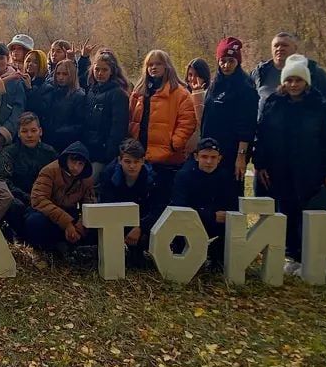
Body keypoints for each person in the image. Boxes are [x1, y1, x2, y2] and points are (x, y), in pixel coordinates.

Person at [252, 54, 326, 274]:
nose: (293, 85)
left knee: (309, 214)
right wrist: (261, 163)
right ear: (283, 81)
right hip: (279, 170)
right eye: (289, 80)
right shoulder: (273, 103)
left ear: (306, 82)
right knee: (285, 211)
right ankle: (292, 255)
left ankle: (312, 257)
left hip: (310, 171)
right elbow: (262, 135)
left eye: (298, 80)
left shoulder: (322, 107)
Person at [129, 49, 197, 210]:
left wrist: (174, 144)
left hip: (167, 160)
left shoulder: (180, 93)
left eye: (158, 64)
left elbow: (187, 122)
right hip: (141, 156)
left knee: (162, 203)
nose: (153, 68)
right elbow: (131, 119)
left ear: (167, 66)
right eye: (150, 64)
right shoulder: (139, 92)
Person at [169, 138, 239, 269]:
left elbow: (233, 207)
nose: (209, 161)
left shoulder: (226, 178)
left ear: (219, 159)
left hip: (218, 228)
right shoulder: (184, 176)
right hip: (190, 226)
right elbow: (180, 208)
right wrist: (210, 216)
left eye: (213, 157)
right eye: (204, 156)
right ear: (196, 157)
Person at [201, 37, 259, 193]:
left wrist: (241, 157)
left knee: (230, 194)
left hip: (232, 152)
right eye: (223, 61)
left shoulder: (245, 87)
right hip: (211, 151)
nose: (226, 65)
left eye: (231, 61)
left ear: (237, 62)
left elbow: (247, 127)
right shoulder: (215, 84)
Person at [24, 141, 98, 253]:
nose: (76, 167)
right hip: (48, 215)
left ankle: (77, 250)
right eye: (73, 161)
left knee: (97, 223)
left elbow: (90, 205)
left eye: (80, 164)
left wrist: (79, 229)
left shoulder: (87, 179)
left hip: (72, 215)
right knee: (35, 221)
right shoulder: (49, 171)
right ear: (66, 159)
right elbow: (39, 200)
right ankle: (43, 252)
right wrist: (67, 223)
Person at [98, 138, 160, 267]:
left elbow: (157, 208)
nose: (132, 166)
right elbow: (106, 205)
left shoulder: (152, 178)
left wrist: (140, 227)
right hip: (115, 219)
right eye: (127, 161)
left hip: (142, 222)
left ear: (143, 161)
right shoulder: (108, 175)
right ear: (120, 161)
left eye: (136, 162)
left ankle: (138, 251)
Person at [250, 32, 326, 117]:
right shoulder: (260, 72)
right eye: (276, 46)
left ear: (295, 48)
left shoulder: (312, 71)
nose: (280, 48)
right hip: (268, 131)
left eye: (285, 45)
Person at [0, 112, 57, 234]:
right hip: (19, 202)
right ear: (18, 133)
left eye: (33, 131)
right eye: (24, 131)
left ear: (40, 131)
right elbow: (3, 181)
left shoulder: (50, 153)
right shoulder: (8, 153)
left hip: (45, 201)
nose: (29, 135)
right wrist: (27, 198)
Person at [81, 50, 130, 180]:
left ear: (111, 71)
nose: (100, 73)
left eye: (104, 70)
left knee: (92, 182)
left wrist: (110, 152)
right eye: (97, 69)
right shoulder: (91, 91)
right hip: (88, 149)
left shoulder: (118, 93)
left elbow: (118, 127)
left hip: (103, 152)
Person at [43, 58, 87, 153]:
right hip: (49, 140)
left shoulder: (79, 96)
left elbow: (80, 124)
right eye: (58, 74)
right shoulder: (52, 92)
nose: (61, 77)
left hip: (67, 143)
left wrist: (58, 131)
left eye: (65, 74)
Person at [184, 57, 210, 153]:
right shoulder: (183, 94)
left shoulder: (210, 95)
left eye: (197, 75)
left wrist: (198, 94)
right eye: (190, 75)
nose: (193, 79)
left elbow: (202, 121)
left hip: (200, 145)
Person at [22, 49, 52, 121]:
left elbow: (40, 109)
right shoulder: (19, 82)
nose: (30, 64)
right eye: (28, 61)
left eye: (35, 62)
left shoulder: (47, 87)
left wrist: (29, 89)